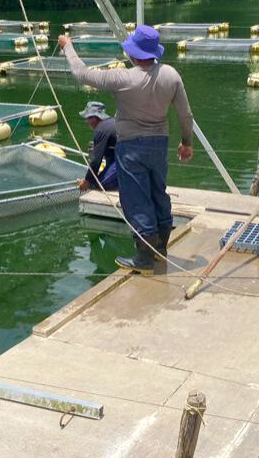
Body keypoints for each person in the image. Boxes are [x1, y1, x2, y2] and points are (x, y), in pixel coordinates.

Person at [58, 24, 194, 275]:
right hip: (159, 145)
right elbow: (186, 115)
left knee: (135, 198)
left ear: (132, 54)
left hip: (131, 147)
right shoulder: (171, 75)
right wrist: (186, 143)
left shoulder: (122, 78)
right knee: (157, 193)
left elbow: (82, 74)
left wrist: (68, 47)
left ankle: (144, 257)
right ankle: (160, 248)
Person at [78, 101, 118, 192]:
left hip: (123, 160)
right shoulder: (110, 123)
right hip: (118, 156)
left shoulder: (100, 130)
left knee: (99, 185)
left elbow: (96, 160)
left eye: (89, 118)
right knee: (95, 181)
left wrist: (87, 181)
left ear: (95, 118)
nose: (87, 121)